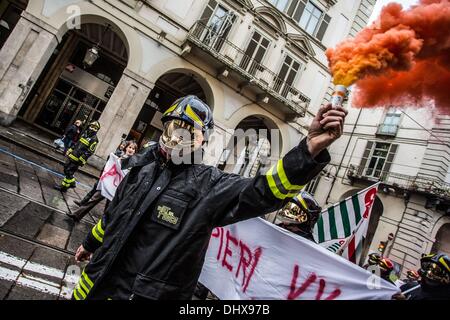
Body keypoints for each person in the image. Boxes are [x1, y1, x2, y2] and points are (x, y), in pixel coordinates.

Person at [72, 95, 347, 300]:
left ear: (201, 139)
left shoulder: (209, 186)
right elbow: (110, 218)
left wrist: (307, 150)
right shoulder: (139, 170)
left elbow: (264, 192)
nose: (176, 139)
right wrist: (89, 244)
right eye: (172, 129)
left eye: (187, 131)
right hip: (95, 285)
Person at [67, 141, 138, 222]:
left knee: (108, 209)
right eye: (130, 147)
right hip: (108, 184)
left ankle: (103, 225)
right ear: (126, 148)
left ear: (135, 151)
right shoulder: (119, 156)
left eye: (133, 149)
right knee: (93, 199)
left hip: (117, 189)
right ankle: (76, 215)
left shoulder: (133, 162)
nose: (131, 150)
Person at [54, 121, 100, 192]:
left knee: (69, 171)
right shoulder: (84, 134)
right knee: (66, 168)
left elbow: (90, 151)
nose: (92, 129)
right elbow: (77, 143)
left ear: (97, 130)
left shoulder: (94, 139)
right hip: (73, 155)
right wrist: (70, 149)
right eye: (91, 126)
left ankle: (64, 187)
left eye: (95, 128)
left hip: (78, 159)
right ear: (89, 126)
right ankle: (72, 182)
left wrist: (81, 159)